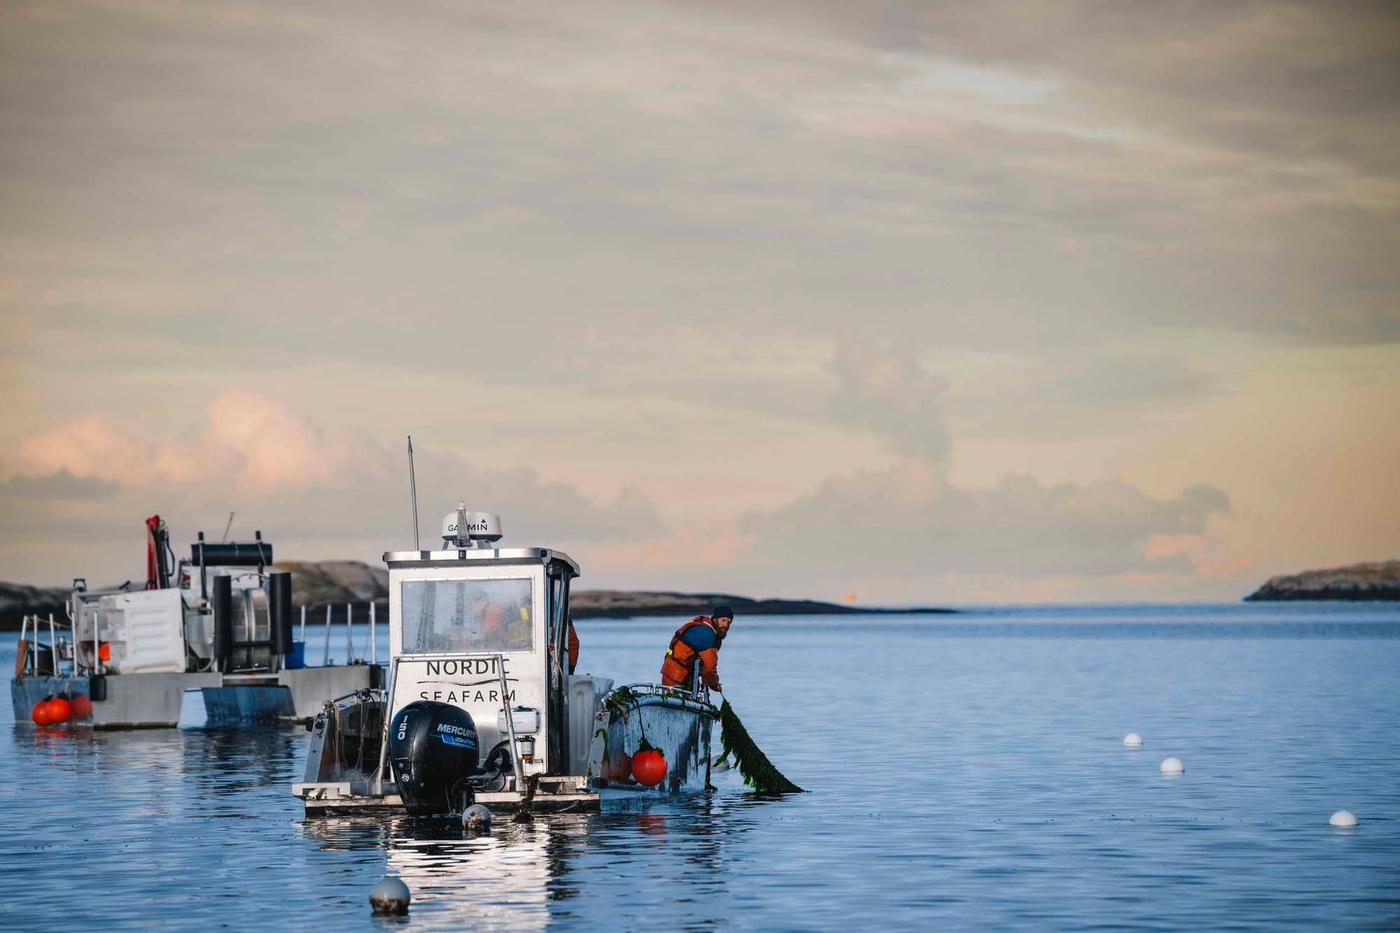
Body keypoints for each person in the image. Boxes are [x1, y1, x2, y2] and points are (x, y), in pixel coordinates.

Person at [660, 605, 733, 692]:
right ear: (715, 619)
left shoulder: (711, 632)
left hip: (687, 675)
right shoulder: (706, 634)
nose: (726, 625)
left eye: (729, 622)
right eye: (723, 620)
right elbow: (709, 668)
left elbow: (706, 666)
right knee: (672, 699)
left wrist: (707, 681)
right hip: (675, 675)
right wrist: (714, 685)